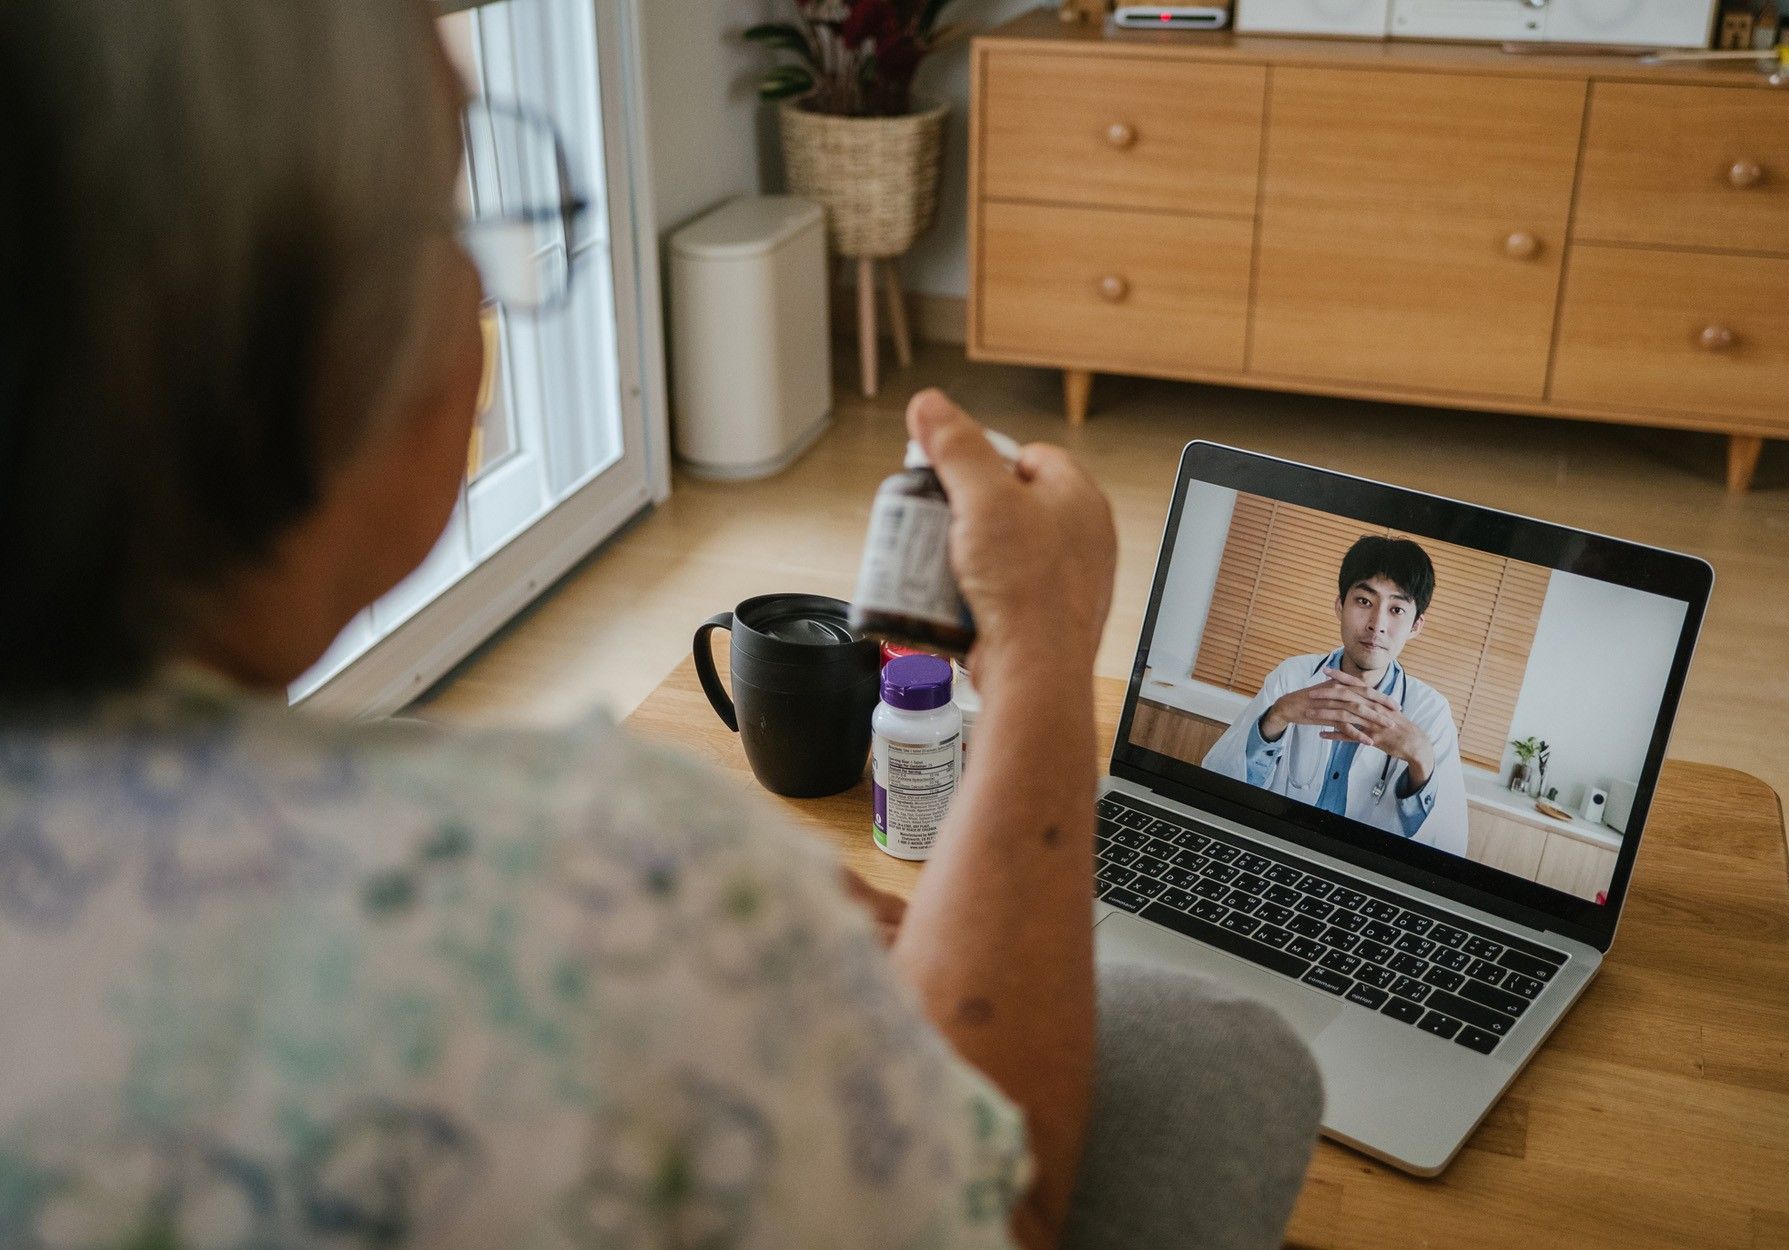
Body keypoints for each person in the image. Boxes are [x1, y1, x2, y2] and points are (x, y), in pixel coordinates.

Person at [0, 2, 1320, 1247]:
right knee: (1229, 1061)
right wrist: (1041, 644)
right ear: (296, 344)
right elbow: (985, 1205)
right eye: (446, 203)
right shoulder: (594, 879)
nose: (477, 281)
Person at [1202, 537, 1470, 856]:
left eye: (1396, 609)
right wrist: (1276, 717)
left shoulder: (1431, 712)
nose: (1377, 625)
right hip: (1274, 851)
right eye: (1364, 602)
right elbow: (1216, 784)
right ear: (1340, 605)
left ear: (1416, 626)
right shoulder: (1292, 676)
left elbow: (1450, 849)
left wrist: (1420, 756)